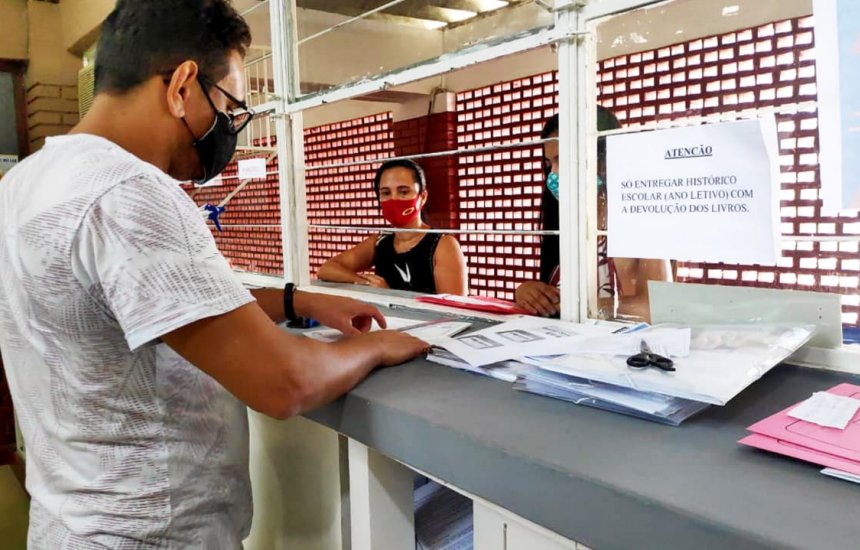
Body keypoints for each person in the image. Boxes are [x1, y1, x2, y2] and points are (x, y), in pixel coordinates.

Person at [0, 1, 428, 548]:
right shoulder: (129, 190)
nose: (229, 128)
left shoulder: (30, 180)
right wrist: (378, 347)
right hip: (151, 532)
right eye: (228, 107)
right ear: (181, 85)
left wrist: (299, 300)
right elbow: (284, 383)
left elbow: (157, 300)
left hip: (67, 522)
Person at [514, 109, 671, 319]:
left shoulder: (639, 221)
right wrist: (526, 292)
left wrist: (577, 304)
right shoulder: (566, 223)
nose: (554, 174)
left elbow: (656, 307)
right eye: (549, 164)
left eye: (564, 160)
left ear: (603, 158)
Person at [318, 159, 468, 295]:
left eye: (403, 192)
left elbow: (455, 312)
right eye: (386, 193)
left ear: (422, 197)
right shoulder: (380, 241)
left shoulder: (443, 245)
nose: (394, 199)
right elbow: (327, 269)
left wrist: (389, 294)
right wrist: (365, 282)